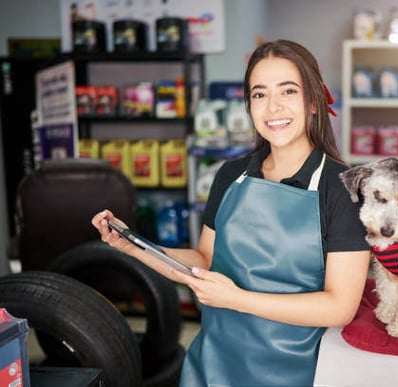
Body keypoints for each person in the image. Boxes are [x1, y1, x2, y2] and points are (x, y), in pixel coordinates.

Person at [92, 39, 370, 386]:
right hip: (215, 361)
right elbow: (203, 260)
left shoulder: (343, 188)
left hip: (297, 371)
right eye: (259, 94)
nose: (273, 108)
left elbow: (339, 306)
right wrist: (134, 246)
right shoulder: (230, 175)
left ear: (313, 102)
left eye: (288, 91)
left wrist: (237, 299)